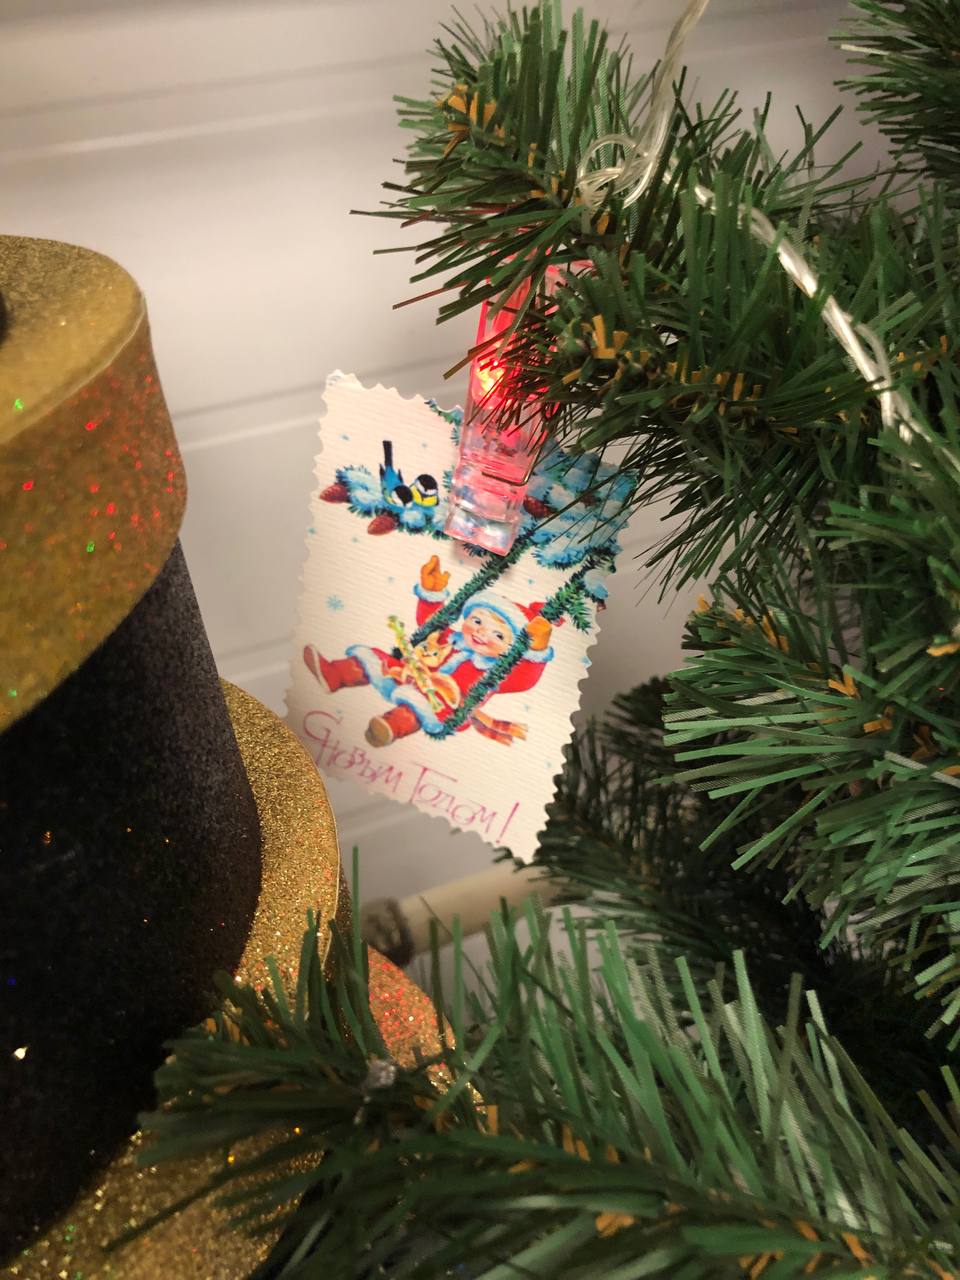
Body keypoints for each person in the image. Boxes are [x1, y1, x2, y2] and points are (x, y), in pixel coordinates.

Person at [304, 555, 555, 746]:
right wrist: (432, 592)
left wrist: (536, 649)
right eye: (477, 620)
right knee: (374, 659)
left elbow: (525, 679)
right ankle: (334, 674)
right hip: (408, 674)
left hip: (439, 702)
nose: (481, 632)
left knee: (417, 707)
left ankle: (390, 727)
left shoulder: (495, 671)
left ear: (513, 648)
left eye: (498, 635)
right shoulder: (451, 639)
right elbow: (430, 623)